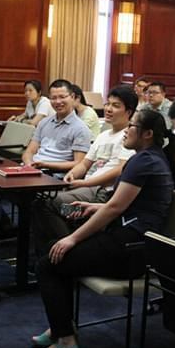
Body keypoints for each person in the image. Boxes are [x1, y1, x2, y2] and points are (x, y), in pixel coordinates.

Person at [30, 110, 175, 348]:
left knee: (47, 265)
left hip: (134, 250)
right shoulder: (147, 157)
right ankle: (61, 329)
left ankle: (66, 340)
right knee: (52, 254)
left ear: (147, 134)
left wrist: (72, 238)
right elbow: (128, 205)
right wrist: (95, 207)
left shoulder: (144, 161)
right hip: (131, 239)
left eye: (132, 126)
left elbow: (115, 207)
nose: (127, 130)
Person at [0, 79, 91, 262]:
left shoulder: (80, 129)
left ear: (73, 97)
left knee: (2, 194)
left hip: (53, 178)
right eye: (53, 98)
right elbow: (29, 151)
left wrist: (43, 164)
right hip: (32, 170)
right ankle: (3, 227)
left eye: (62, 97)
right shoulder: (45, 123)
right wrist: (28, 163)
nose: (57, 101)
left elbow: (78, 164)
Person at [31, 86, 138, 254]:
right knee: (41, 203)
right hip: (85, 190)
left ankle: (69, 251)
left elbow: (119, 171)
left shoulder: (129, 137)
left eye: (116, 105)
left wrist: (85, 183)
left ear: (129, 111)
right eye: (108, 104)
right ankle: (53, 252)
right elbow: (84, 164)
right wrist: (72, 174)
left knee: (46, 205)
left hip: (101, 195)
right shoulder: (103, 135)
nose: (108, 109)